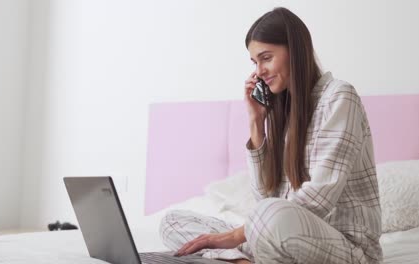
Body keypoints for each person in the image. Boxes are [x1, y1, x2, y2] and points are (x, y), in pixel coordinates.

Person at [159, 7, 382, 264]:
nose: (259, 71)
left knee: (267, 215)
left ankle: (230, 255)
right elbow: (263, 197)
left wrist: (235, 236)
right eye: (255, 62)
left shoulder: (339, 97)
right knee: (171, 222)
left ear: (295, 52)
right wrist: (257, 122)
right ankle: (241, 261)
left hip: (346, 247)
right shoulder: (281, 109)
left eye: (266, 58)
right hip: (276, 233)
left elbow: (318, 198)